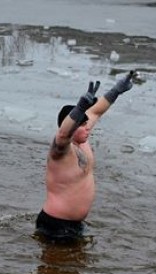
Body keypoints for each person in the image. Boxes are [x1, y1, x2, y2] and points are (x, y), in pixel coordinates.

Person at [37, 71, 136, 241]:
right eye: (82, 125)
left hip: (74, 224)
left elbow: (96, 112)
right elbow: (62, 134)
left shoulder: (82, 137)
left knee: (77, 266)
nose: (87, 127)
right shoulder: (60, 151)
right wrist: (80, 107)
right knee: (57, 267)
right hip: (56, 224)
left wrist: (116, 91)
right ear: (71, 126)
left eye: (85, 123)